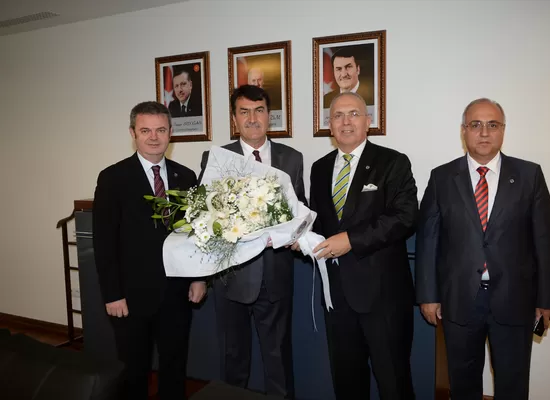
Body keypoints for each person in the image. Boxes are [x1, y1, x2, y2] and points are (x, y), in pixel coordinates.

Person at [415, 98, 550, 400]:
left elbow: (546, 241)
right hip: (459, 299)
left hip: (515, 298)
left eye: (492, 125)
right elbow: (428, 241)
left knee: (513, 382)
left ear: (503, 130)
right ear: (464, 131)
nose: (484, 132)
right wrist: (428, 295)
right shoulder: (441, 177)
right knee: (463, 382)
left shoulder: (529, 175)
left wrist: (548, 298)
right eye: (476, 125)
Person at [93, 101, 206, 400]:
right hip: (130, 297)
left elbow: (195, 232)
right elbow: (104, 242)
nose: (154, 137)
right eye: (145, 131)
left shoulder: (186, 176)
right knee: (133, 371)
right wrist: (112, 294)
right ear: (133, 133)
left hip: (176, 293)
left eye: (160, 130)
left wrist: (199, 278)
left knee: (175, 366)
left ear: (171, 133)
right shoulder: (113, 178)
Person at [308, 92, 418, 399]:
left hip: (383, 298)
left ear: (368, 121)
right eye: (338, 116)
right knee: (347, 382)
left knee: (393, 383)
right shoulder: (319, 168)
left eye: (354, 114)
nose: (346, 122)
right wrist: (300, 239)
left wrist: (351, 240)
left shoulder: (392, 162)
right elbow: (318, 222)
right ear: (330, 125)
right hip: (337, 297)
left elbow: (406, 217)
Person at [198, 85, 305, 398]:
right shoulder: (217, 158)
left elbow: (299, 209)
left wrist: (297, 232)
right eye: (244, 112)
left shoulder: (292, 158)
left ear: (269, 116)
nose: (252, 118)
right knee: (234, 360)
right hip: (231, 278)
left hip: (276, 275)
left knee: (279, 360)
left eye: (259, 111)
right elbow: (204, 216)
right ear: (234, 118)